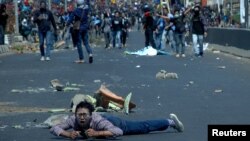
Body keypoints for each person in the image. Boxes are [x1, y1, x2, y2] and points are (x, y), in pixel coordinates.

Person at [50, 101, 184, 140]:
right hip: (105, 125)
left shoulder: (98, 121)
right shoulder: (73, 120)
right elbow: (54, 128)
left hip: (115, 123)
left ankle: (171, 122)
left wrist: (97, 134)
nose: (82, 118)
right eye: (79, 115)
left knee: (144, 126)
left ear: (91, 115)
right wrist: (67, 134)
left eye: (85, 115)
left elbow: (118, 131)